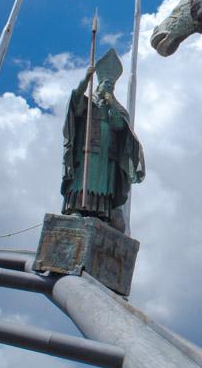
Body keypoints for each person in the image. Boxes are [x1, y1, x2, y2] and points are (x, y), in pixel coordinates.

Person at [61, 48, 145, 232]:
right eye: (106, 84)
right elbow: (74, 102)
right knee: (85, 179)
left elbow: (120, 125)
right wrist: (85, 81)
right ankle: (76, 208)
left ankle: (100, 213)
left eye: (111, 86)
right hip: (87, 151)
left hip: (107, 155)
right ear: (98, 85)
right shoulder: (88, 103)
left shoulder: (116, 108)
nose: (108, 87)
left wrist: (111, 103)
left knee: (103, 184)